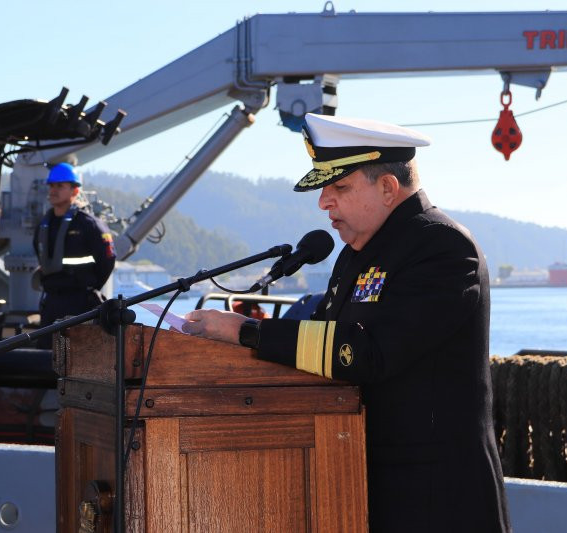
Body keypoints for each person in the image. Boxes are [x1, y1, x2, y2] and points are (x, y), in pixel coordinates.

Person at [183, 114, 511, 532]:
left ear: (388, 187)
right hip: (361, 475)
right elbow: (324, 338)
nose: (323, 202)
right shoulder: (358, 252)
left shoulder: (443, 247)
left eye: (339, 187)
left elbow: (368, 352)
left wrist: (247, 333)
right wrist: (253, 335)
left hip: (436, 494)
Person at [32, 162, 116, 347]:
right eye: (52, 186)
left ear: (74, 191)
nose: (53, 190)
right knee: (46, 353)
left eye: (60, 186)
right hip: (52, 302)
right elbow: (40, 254)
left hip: (80, 303)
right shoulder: (44, 225)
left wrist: (87, 287)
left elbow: (107, 260)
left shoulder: (89, 225)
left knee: (79, 354)